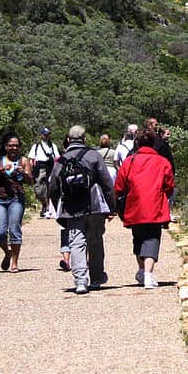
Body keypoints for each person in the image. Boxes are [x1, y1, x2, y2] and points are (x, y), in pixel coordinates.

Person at [51, 126, 117, 294]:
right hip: (94, 205)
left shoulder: (62, 159)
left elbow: (53, 186)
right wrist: (112, 207)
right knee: (95, 241)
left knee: (76, 242)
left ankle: (80, 281)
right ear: (84, 139)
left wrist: (57, 205)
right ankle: (96, 278)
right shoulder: (93, 155)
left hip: (72, 207)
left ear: (68, 139)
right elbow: (106, 182)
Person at [114, 127, 174, 290]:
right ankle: (148, 274)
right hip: (155, 205)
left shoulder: (129, 161)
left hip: (135, 206)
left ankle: (142, 271)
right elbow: (169, 185)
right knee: (153, 238)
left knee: (138, 238)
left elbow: (119, 186)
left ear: (137, 143)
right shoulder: (162, 162)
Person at [0, 132, 33, 273]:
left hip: (17, 198)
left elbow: (31, 180)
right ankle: (7, 252)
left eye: (16, 146)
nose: (14, 148)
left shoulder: (23, 160)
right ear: (6, 146)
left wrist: (24, 173)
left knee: (15, 229)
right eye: (11, 146)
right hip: (0, 198)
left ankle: (14, 262)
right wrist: (1, 169)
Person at [28, 127, 59, 218]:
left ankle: (48, 209)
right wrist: (31, 170)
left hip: (51, 167)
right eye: (45, 134)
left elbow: (57, 157)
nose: (46, 136)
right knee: (38, 189)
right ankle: (44, 204)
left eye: (48, 134)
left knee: (50, 188)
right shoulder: (36, 146)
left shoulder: (53, 145)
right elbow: (31, 159)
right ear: (41, 135)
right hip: (40, 168)